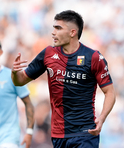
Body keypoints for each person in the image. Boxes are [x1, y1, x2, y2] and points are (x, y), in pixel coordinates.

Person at [11, 10, 116, 148]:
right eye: (53, 28)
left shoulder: (93, 57)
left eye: (58, 28)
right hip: (58, 135)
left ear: (72, 32)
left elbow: (110, 92)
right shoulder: (48, 54)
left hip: (85, 133)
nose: (53, 32)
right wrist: (14, 72)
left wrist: (101, 118)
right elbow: (20, 81)